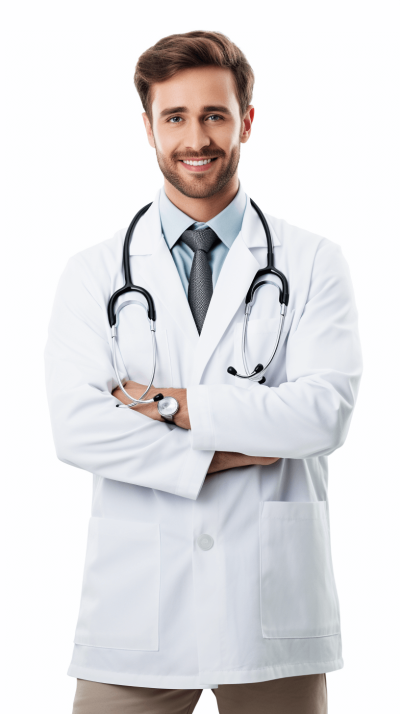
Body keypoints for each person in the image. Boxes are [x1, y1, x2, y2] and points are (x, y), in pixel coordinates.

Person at [44, 30, 363, 714]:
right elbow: (77, 429)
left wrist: (167, 404)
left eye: (215, 115)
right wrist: (224, 452)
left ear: (246, 120)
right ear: (149, 127)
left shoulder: (312, 263)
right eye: (177, 117)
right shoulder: (94, 273)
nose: (197, 138)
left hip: (270, 604)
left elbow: (322, 414)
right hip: (139, 611)